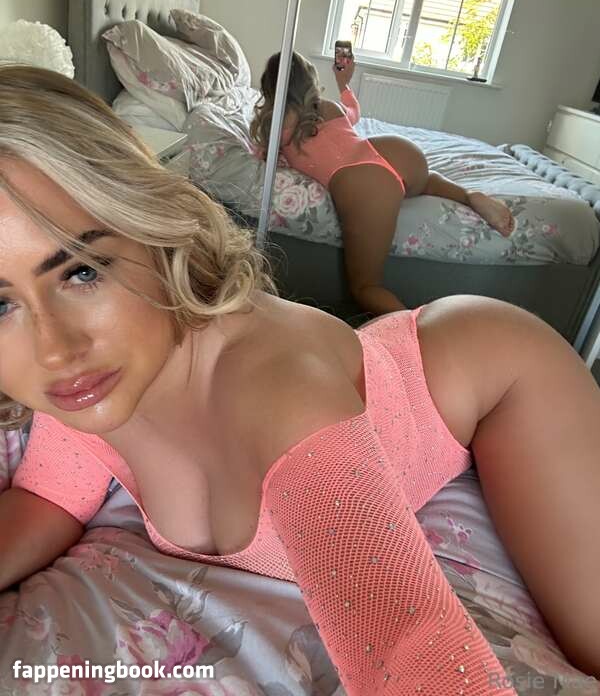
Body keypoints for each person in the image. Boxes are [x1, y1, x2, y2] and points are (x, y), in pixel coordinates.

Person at [0, 66, 598, 695]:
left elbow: (411, 648)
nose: (55, 351)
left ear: (152, 223)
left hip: (495, 372)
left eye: (83, 271)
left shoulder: (282, 397)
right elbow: (49, 498)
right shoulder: (85, 383)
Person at [251, 51, 515, 316]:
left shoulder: (277, 128)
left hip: (362, 184)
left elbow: (262, 155)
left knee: (366, 287)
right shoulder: (330, 108)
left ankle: (418, 333)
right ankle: (469, 195)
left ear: (269, 89)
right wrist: (344, 84)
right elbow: (353, 113)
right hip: (397, 152)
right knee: (426, 182)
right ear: (310, 81)